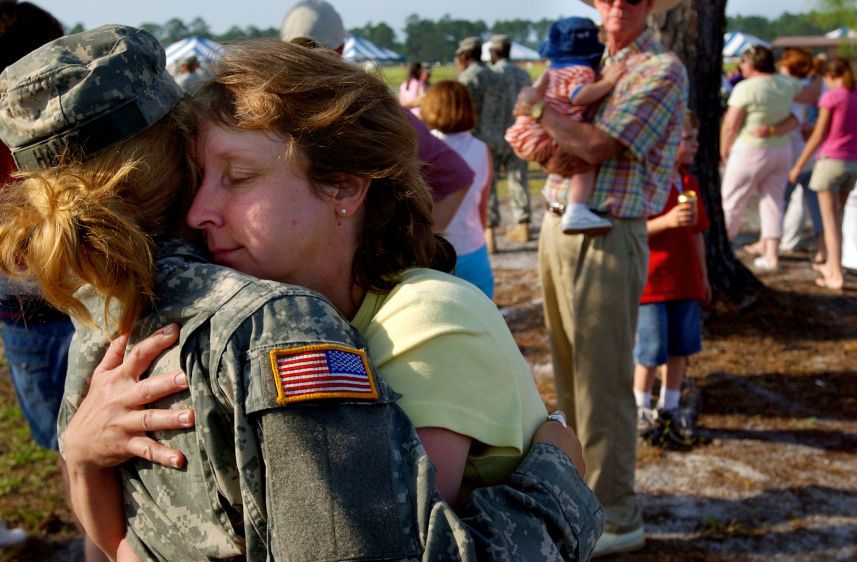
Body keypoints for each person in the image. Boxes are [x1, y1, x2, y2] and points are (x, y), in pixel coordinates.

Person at [0, 25, 603, 561]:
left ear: (342, 187)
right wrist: (559, 477)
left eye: (237, 179)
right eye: (200, 176)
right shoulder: (226, 312)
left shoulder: (420, 318)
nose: (202, 210)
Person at [514, 0, 688, 555]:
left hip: (607, 231)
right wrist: (551, 132)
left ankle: (615, 514)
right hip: (559, 224)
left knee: (603, 380)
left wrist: (538, 110)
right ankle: (581, 502)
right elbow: (563, 160)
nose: (617, 5)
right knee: (568, 375)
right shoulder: (590, 57)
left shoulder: (658, 70)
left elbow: (593, 146)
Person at [279, 0, 472, 233]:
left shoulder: (255, 106)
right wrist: (417, 249)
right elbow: (457, 174)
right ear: (341, 49)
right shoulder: (372, 106)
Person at [632, 110, 711, 448]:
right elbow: (631, 233)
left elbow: (697, 234)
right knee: (650, 349)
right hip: (651, 282)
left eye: (695, 138)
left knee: (681, 346)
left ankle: (671, 405)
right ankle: (640, 407)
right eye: (687, 138)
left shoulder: (688, 182)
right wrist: (666, 221)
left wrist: (703, 278)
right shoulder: (647, 182)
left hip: (685, 281)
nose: (695, 145)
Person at [506, 16, 625, 235]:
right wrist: (607, 83)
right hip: (544, 135)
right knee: (584, 162)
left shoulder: (551, 71)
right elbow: (578, 95)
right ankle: (577, 210)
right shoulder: (582, 71)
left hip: (525, 133)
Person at [720, 45, 804, 273]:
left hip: (750, 149)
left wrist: (724, 149)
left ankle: (721, 248)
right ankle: (772, 255)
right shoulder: (788, 84)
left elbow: (730, 124)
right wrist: (777, 129)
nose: (740, 67)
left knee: (732, 200)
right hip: (781, 150)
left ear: (753, 64)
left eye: (743, 63)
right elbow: (802, 110)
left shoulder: (746, 88)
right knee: (773, 202)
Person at [421, 81, 495, 298]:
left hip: (433, 250)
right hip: (472, 247)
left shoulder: (426, 148)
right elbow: (482, 205)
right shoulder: (482, 149)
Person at [789, 57, 857, 292]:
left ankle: (835, 273)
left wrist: (798, 165)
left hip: (830, 162)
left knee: (829, 222)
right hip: (852, 163)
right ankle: (831, 265)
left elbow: (819, 136)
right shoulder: (854, 95)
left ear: (829, 76)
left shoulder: (831, 97)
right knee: (837, 219)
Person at [455, 35, 507, 253]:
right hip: (497, 135)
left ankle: (486, 235)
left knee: (476, 191)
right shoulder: (496, 75)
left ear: (465, 56)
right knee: (492, 186)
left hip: (474, 141)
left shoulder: (466, 79)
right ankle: (492, 232)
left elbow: (459, 111)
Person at [488, 34, 533, 244]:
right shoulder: (523, 75)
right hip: (518, 134)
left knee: (491, 185)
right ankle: (523, 225)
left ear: (495, 52)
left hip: (492, 134)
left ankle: (490, 234)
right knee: (518, 180)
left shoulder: (489, 74)